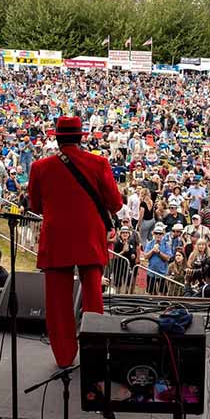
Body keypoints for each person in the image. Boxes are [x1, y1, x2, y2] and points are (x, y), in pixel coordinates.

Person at [27, 116, 122, 368]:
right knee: (93, 297)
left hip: (57, 239)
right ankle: (94, 353)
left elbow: (35, 206)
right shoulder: (98, 163)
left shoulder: (39, 167)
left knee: (58, 303)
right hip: (89, 238)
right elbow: (115, 203)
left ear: (57, 139)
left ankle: (64, 356)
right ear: (81, 137)